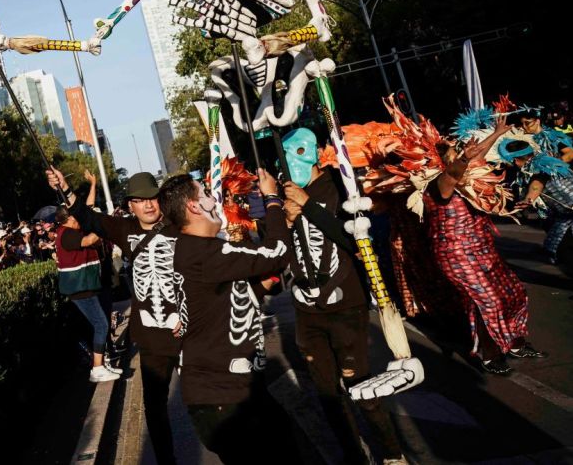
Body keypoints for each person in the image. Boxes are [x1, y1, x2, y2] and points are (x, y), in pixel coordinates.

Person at [278, 128, 404, 464]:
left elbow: (355, 242)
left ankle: (392, 454)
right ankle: (353, 455)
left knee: (361, 386)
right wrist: (283, 220)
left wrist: (308, 208)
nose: (293, 161)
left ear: (318, 152)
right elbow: (282, 257)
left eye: (301, 150)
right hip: (307, 308)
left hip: (345, 303)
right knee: (326, 393)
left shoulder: (340, 184)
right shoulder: (286, 194)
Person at [161, 170, 295, 463]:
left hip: (233, 392)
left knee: (288, 442)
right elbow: (278, 251)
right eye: (207, 194)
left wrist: (262, 284)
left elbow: (220, 302)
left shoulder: (194, 250)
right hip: (223, 399)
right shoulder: (206, 253)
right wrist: (272, 200)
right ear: (194, 207)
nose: (215, 199)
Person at [49, 167, 180, 464]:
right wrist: (67, 186)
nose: (148, 205)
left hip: (188, 332)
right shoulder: (125, 229)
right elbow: (88, 216)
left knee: (207, 402)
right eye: (140, 200)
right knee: (155, 410)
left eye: (153, 198)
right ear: (130, 205)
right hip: (151, 338)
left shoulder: (178, 226)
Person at [430, 120, 545, 373]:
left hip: (482, 248)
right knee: (487, 301)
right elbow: (452, 175)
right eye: (452, 152)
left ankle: (515, 343)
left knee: (513, 292)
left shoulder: (470, 176)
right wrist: (461, 161)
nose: (458, 152)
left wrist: (497, 133)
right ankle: (489, 353)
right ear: (441, 159)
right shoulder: (438, 183)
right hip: (456, 252)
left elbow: (475, 157)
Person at [53, 204, 119, 383]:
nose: (80, 222)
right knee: (102, 325)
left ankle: (101, 364)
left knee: (100, 325)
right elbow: (89, 241)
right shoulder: (66, 234)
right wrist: (103, 226)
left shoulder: (68, 231)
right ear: (71, 219)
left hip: (84, 286)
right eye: (78, 218)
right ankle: (97, 368)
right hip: (79, 288)